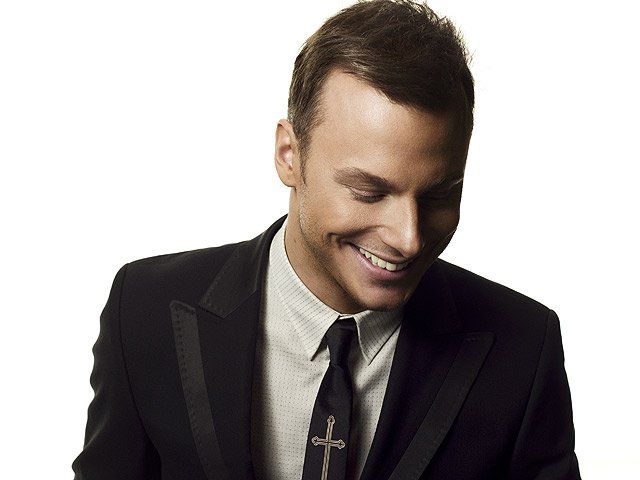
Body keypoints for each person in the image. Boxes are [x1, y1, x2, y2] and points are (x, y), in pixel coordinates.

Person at [72, 1, 580, 478]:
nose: (408, 238)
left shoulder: (523, 348)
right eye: (369, 192)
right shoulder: (144, 311)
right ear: (289, 156)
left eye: (439, 195)